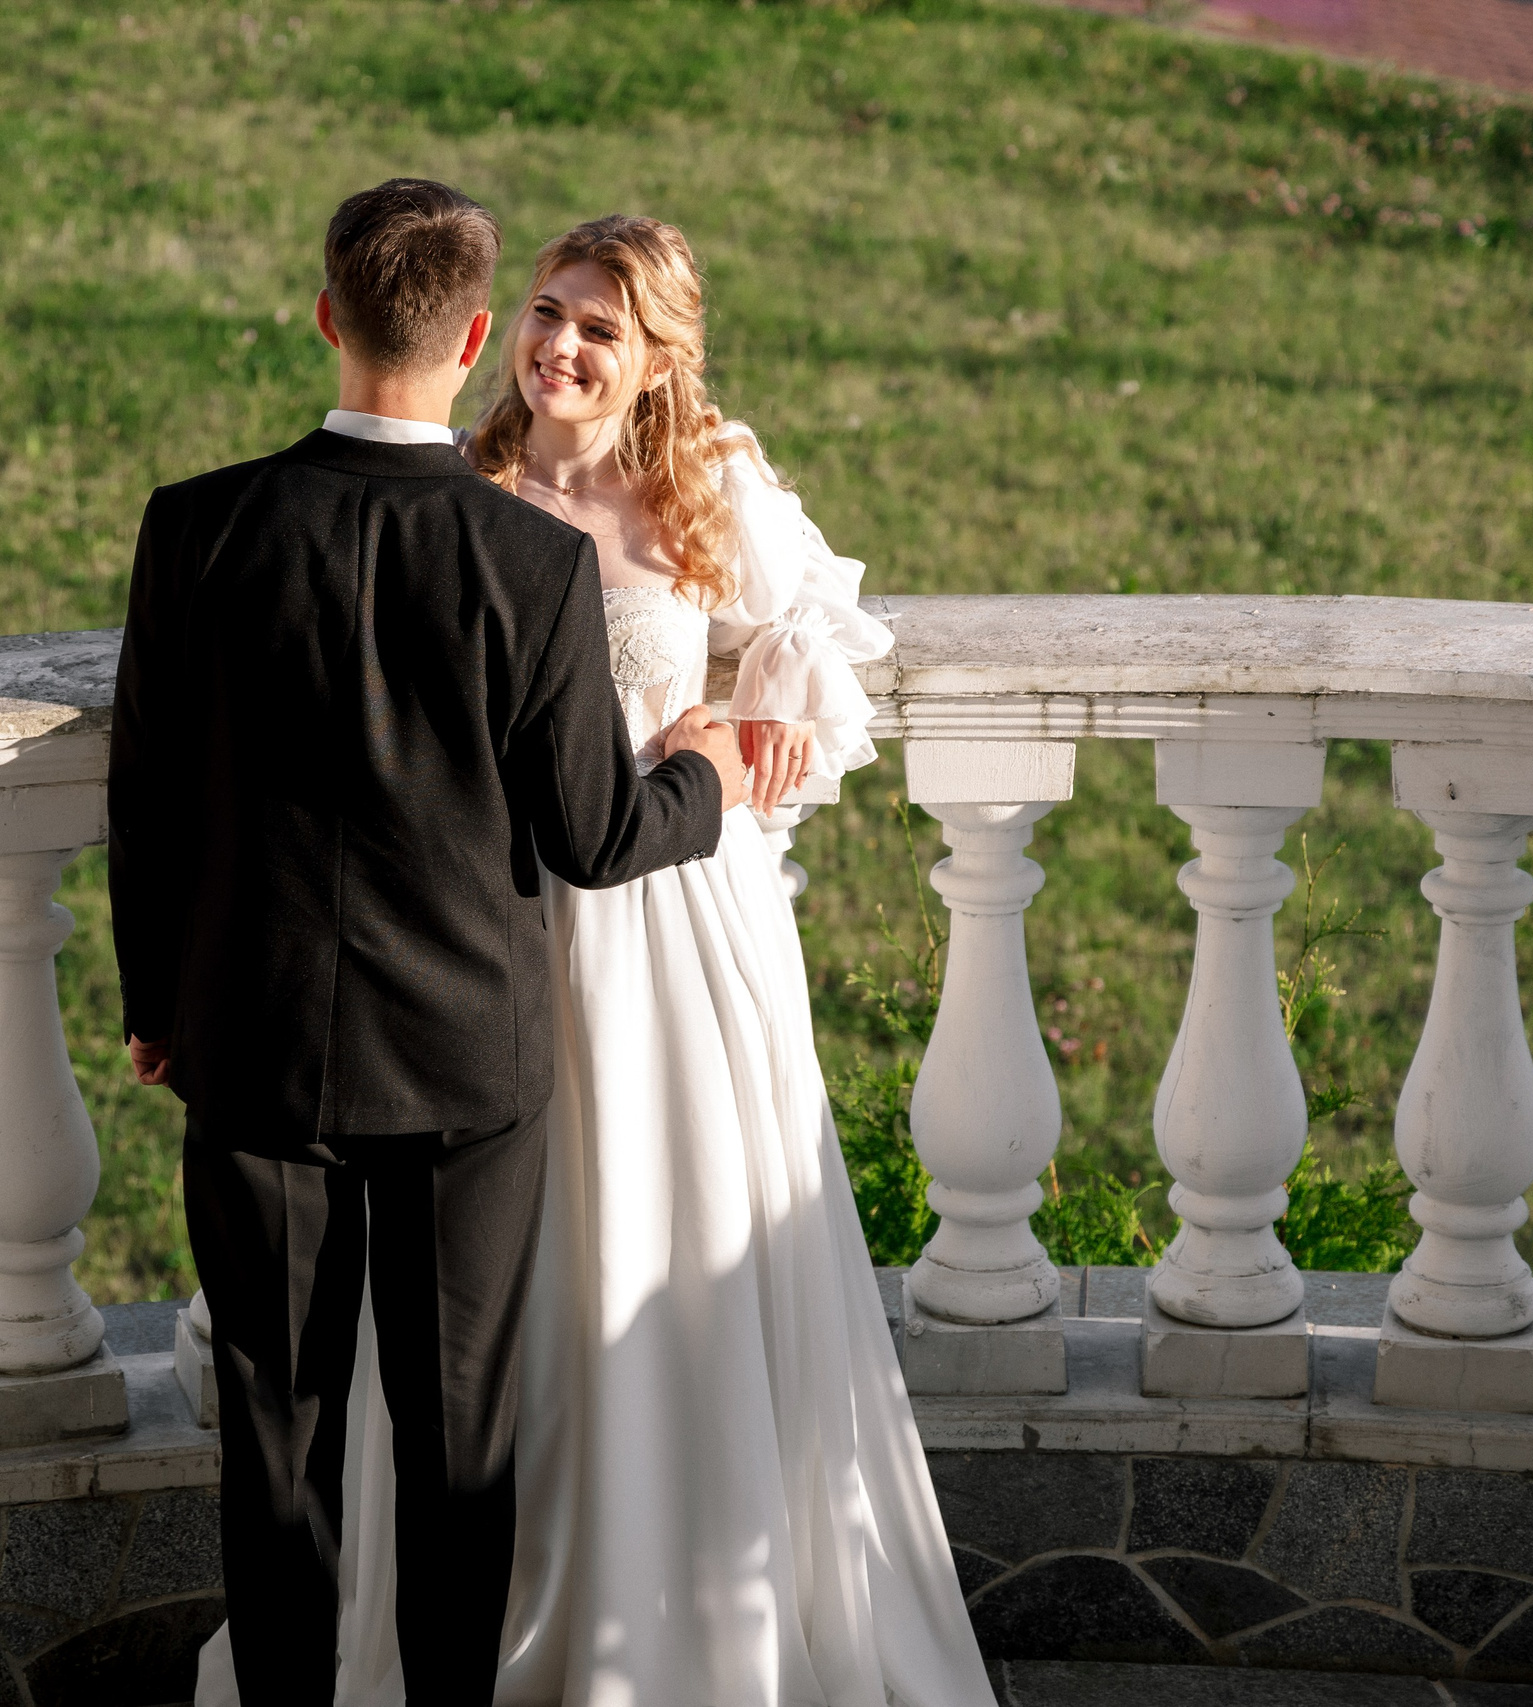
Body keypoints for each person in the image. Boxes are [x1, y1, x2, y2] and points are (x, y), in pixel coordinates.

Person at [202, 214, 998, 1707]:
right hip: (498, 924)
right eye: (548, 313)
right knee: (492, 1306)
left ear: (657, 359)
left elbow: (816, 633)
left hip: (675, 924)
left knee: (669, 1235)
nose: (560, 348)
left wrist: (743, 720)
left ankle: (682, 1617)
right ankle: (486, 1615)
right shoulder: (466, 486)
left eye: (601, 329)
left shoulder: (712, 484)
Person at [108, 181, 750, 1707]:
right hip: (469, 1069)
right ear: (472, 341)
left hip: (251, 1048)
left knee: (275, 1432)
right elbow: (596, 836)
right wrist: (707, 777)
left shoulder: (198, 526)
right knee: (462, 1439)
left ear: (326, 316)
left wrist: (159, 1006)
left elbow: (146, 796)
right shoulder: (530, 564)